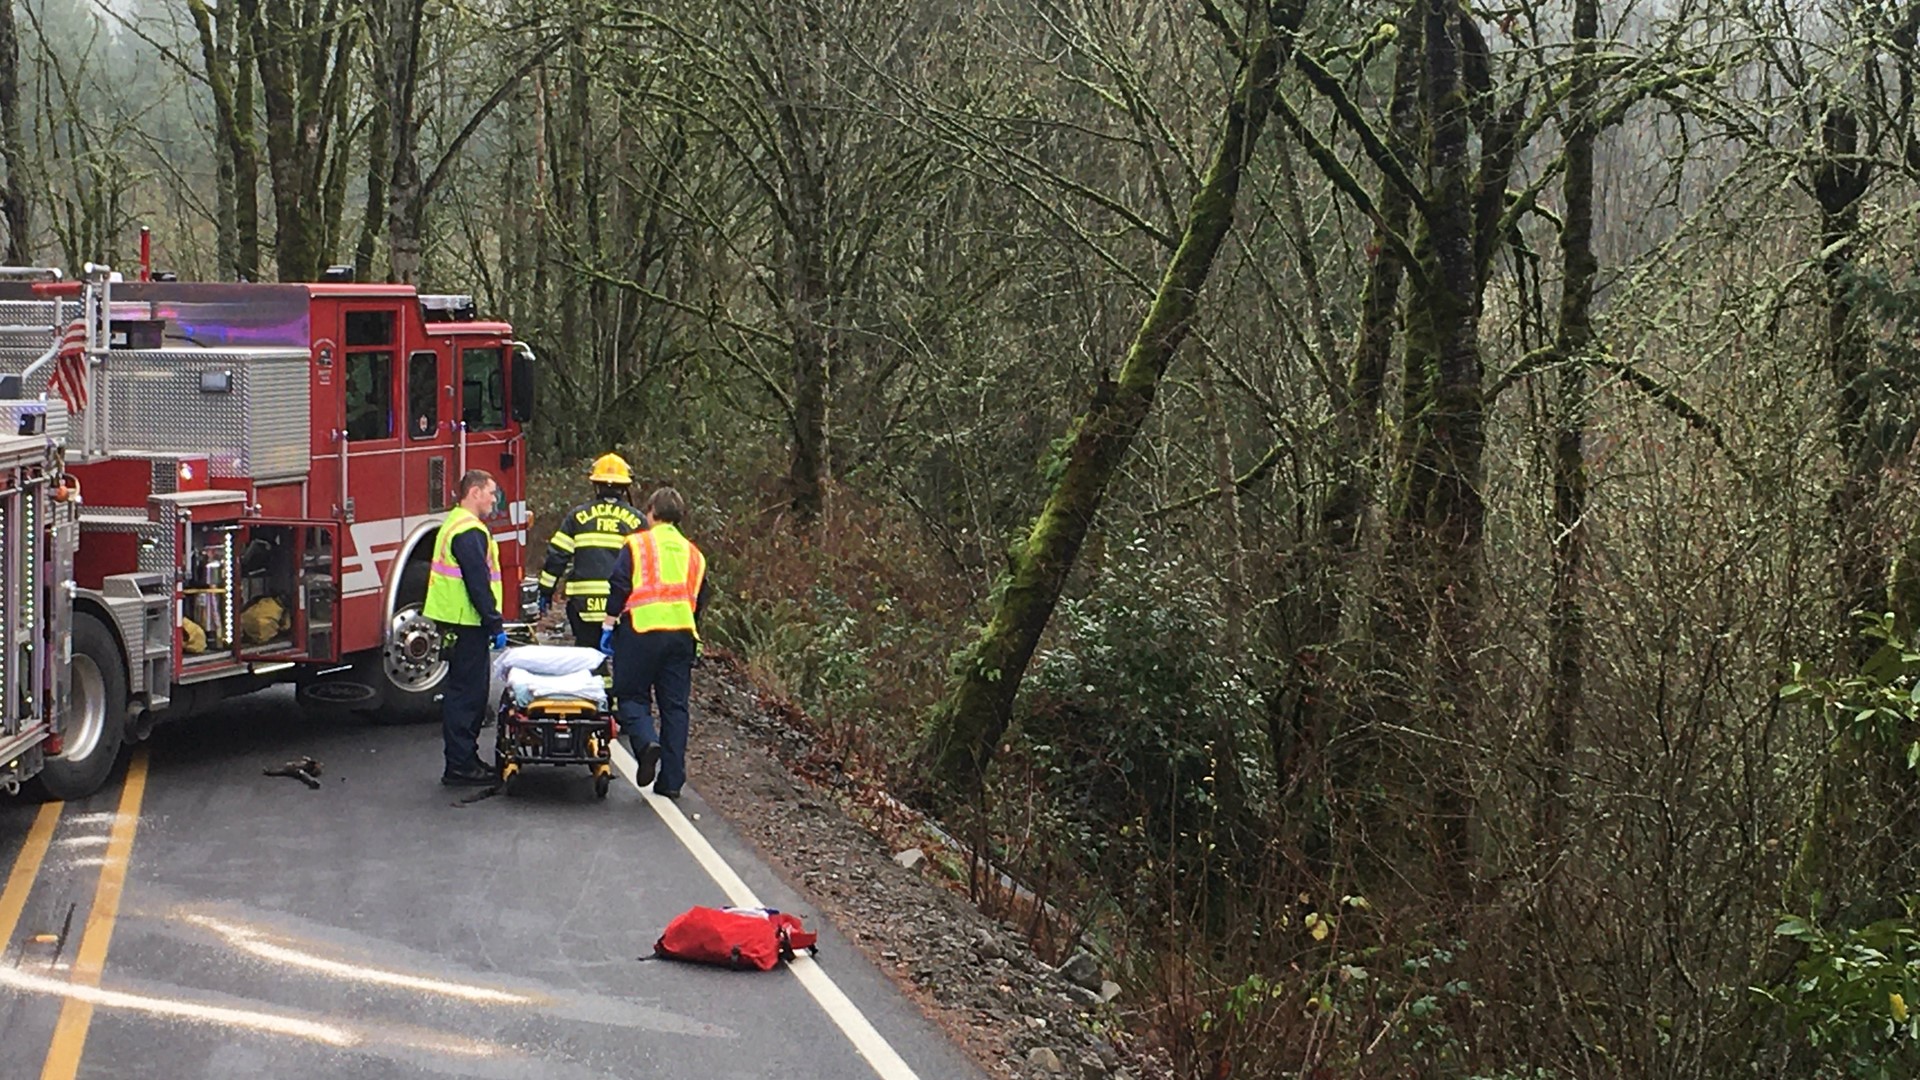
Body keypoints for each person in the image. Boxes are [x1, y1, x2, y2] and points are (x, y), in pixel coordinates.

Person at [601, 486, 710, 798]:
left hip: (641, 632)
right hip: (682, 636)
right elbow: (700, 597)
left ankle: (646, 742)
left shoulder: (638, 544)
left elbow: (620, 583)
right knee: (675, 708)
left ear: (651, 512)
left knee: (631, 696)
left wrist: (609, 624)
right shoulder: (694, 554)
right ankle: (672, 781)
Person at [425, 469, 508, 786]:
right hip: (466, 623)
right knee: (467, 695)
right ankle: (460, 765)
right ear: (474, 492)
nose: (493, 499)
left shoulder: (457, 524)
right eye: (491, 492)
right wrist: (493, 620)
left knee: (466, 693)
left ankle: (466, 759)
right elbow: (477, 581)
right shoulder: (468, 530)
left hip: (459, 621)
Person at [537, 453, 646, 647]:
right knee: (622, 660)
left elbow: (557, 556)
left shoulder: (577, 517)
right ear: (624, 487)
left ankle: (595, 677)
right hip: (622, 606)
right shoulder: (638, 521)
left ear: (596, 485)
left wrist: (546, 591)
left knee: (586, 659)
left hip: (583, 605)